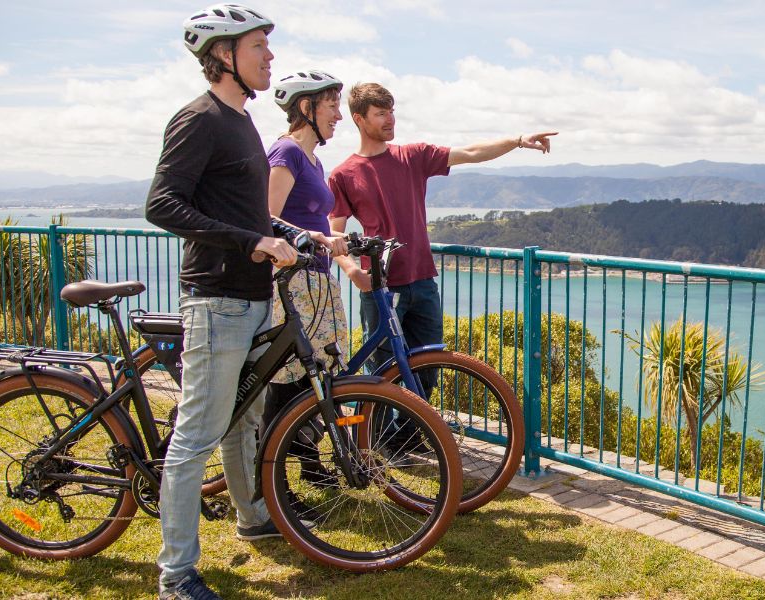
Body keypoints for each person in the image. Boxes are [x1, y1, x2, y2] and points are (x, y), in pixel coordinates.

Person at [145, 5, 299, 599]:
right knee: (197, 437)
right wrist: (251, 240)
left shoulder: (242, 122)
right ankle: (176, 574)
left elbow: (243, 210)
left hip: (251, 296)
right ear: (224, 55)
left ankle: (253, 519)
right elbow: (163, 204)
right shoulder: (200, 118)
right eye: (259, 45)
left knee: (244, 422)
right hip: (216, 299)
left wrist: (293, 235)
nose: (270, 56)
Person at [328, 82, 557, 381]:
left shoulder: (413, 156)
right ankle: (376, 430)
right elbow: (335, 233)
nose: (391, 119)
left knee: (428, 372)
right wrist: (352, 271)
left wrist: (518, 140)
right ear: (359, 119)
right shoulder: (343, 174)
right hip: (380, 287)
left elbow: (471, 152)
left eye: (392, 112)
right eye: (381, 113)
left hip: (423, 282)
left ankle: (415, 430)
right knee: (383, 378)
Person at [264, 70, 350, 484]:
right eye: (331, 104)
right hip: (291, 280)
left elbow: (304, 220)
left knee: (313, 375)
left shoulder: (313, 159)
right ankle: (273, 479)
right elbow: (268, 219)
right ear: (306, 107)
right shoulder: (287, 153)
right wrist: (315, 237)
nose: (338, 114)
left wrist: (334, 238)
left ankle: (309, 464)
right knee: (288, 379)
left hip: (314, 277)